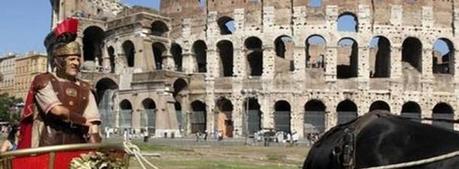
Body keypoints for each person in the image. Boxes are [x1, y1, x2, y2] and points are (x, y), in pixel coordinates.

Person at [18, 18, 101, 149]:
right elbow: (56, 111)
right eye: (71, 59)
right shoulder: (44, 81)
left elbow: (93, 124)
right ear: (59, 61)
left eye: (78, 59)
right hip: (49, 144)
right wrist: (84, 121)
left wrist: (97, 149)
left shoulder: (86, 88)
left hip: (77, 145)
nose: (76, 63)